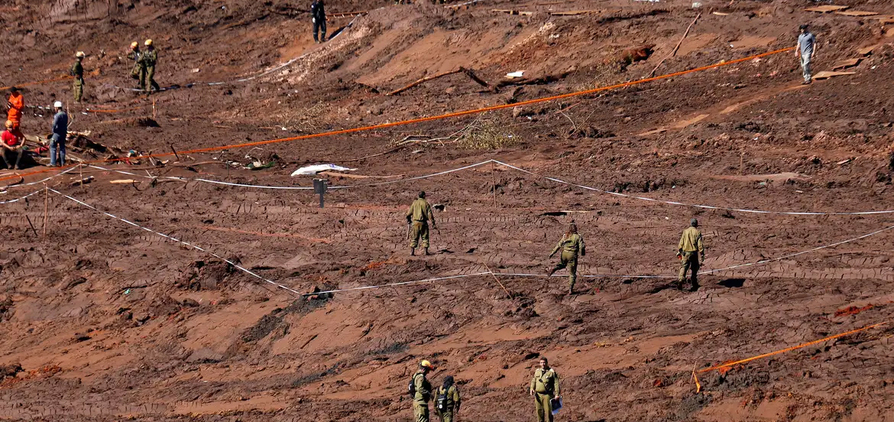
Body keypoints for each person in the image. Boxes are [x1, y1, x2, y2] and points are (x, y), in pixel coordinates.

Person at [548, 222, 586, 294]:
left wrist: (552, 253)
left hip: (564, 253)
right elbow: (582, 247)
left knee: (563, 264)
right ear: (576, 229)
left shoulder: (565, 236)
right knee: (572, 273)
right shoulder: (578, 237)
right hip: (572, 255)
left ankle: (554, 268)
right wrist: (582, 253)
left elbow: (559, 245)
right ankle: (570, 290)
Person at [677, 218, 705, 291]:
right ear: (696, 224)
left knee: (683, 267)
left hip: (685, 252)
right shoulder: (697, 232)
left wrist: (680, 251)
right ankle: (694, 282)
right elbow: (700, 245)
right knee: (694, 268)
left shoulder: (685, 231)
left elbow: (680, 243)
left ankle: (680, 280)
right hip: (693, 253)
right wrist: (702, 254)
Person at [529, 357, 560, 422]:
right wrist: (532, 388)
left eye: (544, 362)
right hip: (538, 395)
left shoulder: (551, 372)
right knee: (539, 412)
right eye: (541, 362)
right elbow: (534, 380)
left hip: (547, 395)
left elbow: (556, 383)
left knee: (548, 412)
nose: (543, 364)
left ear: (547, 363)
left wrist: (557, 394)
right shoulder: (537, 371)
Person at [406, 191, 437, 256]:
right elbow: (430, 215)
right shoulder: (426, 204)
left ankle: (412, 252)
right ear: (423, 196)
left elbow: (409, 213)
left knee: (414, 237)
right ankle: (426, 251)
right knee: (425, 237)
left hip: (415, 223)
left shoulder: (414, 203)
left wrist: (408, 219)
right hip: (423, 223)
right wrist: (433, 223)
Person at [50, 101, 68, 167]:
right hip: (63, 133)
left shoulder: (57, 115)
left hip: (57, 133)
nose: (55, 109)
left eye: (55, 108)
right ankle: (62, 162)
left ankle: (53, 163)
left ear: (57, 108)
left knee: (52, 145)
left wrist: (53, 131)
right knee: (62, 147)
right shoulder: (65, 115)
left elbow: (54, 124)